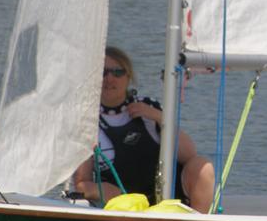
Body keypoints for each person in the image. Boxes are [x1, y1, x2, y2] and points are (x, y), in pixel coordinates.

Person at [74, 47, 215, 212]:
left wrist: (160, 118)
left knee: (202, 166)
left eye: (117, 72)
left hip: (166, 200)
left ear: (128, 77)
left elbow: (189, 154)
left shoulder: (149, 107)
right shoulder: (87, 121)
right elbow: (81, 184)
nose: (109, 78)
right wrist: (100, 189)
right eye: (103, 72)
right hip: (124, 207)